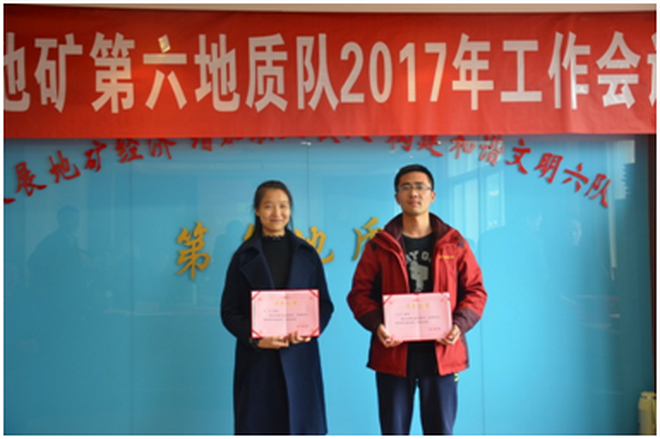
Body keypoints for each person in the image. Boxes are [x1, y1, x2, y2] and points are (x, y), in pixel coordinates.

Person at [347, 164, 487, 435]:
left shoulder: (455, 243)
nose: (414, 193)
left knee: (440, 430)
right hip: (393, 352)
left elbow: (476, 291)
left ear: (432, 195)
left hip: (442, 353)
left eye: (421, 187)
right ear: (397, 197)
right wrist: (377, 325)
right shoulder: (379, 245)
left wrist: (459, 325)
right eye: (406, 187)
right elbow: (359, 293)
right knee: (394, 430)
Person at [221, 180, 334, 435]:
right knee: (260, 426)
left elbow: (325, 305)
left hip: (300, 355)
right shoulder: (243, 256)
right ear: (257, 210)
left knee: (301, 426)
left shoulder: (307, 253)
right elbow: (229, 311)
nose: (277, 213)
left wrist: (310, 330)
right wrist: (255, 339)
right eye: (268, 206)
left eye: (283, 206)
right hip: (258, 360)